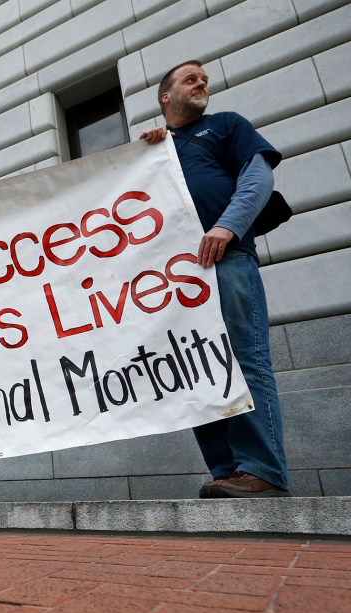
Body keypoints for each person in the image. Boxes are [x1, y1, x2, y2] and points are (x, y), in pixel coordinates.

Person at [141, 61, 289, 498]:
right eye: (190, 79)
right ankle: (227, 470)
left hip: (225, 260)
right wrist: (146, 154)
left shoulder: (225, 125)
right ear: (167, 96)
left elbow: (258, 175)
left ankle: (261, 469)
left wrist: (228, 225)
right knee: (195, 368)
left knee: (244, 359)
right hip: (173, 277)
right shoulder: (159, 146)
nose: (202, 82)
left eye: (204, 78)